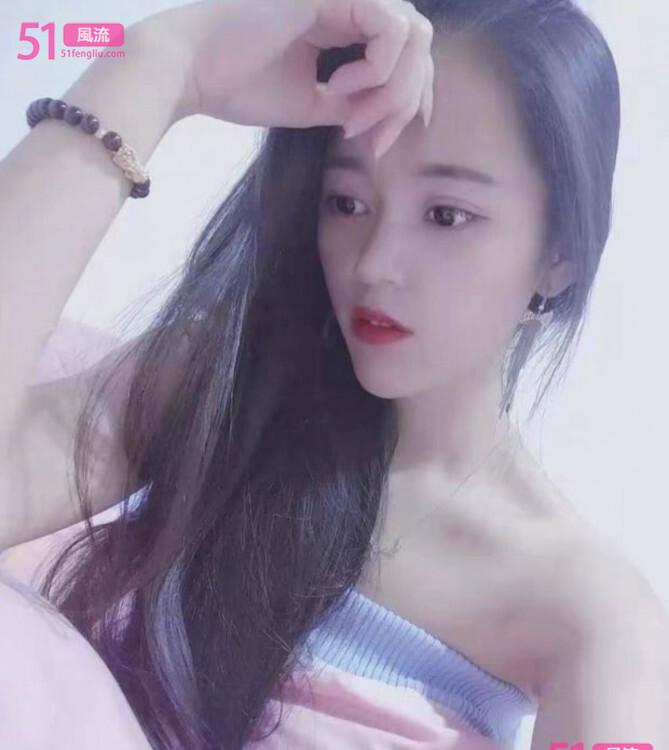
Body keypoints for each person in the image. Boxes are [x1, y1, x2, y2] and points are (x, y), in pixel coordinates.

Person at [0, 0, 667, 748]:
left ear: (558, 256)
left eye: (446, 215)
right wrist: (163, 62)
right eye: (346, 202)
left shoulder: (591, 618)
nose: (375, 263)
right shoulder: (215, 390)